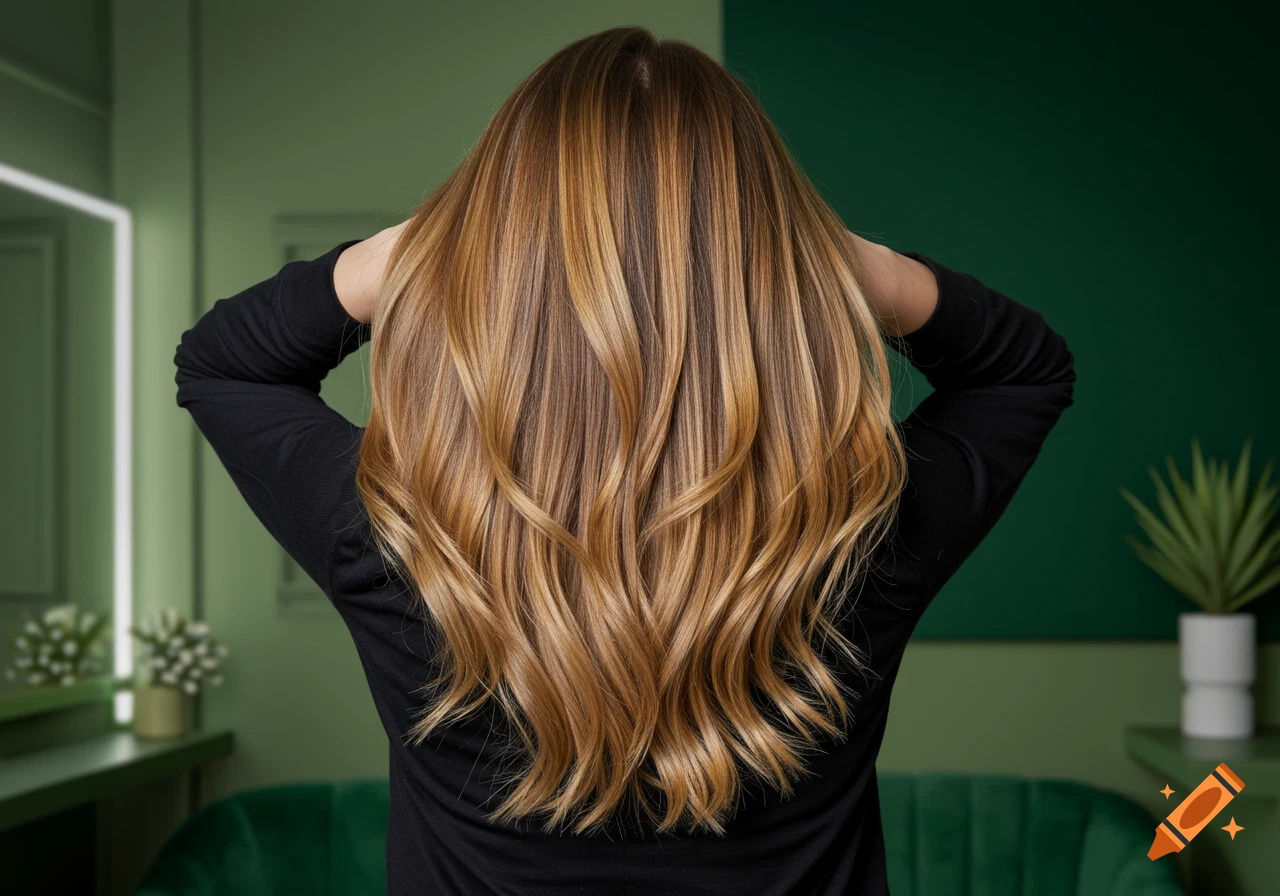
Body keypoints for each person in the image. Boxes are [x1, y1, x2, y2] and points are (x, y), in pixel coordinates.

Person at [174, 26, 1074, 896]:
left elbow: (225, 362)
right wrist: (830, 255)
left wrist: (437, 241)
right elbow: (1023, 369)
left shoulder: (396, 537)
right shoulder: (861, 535)